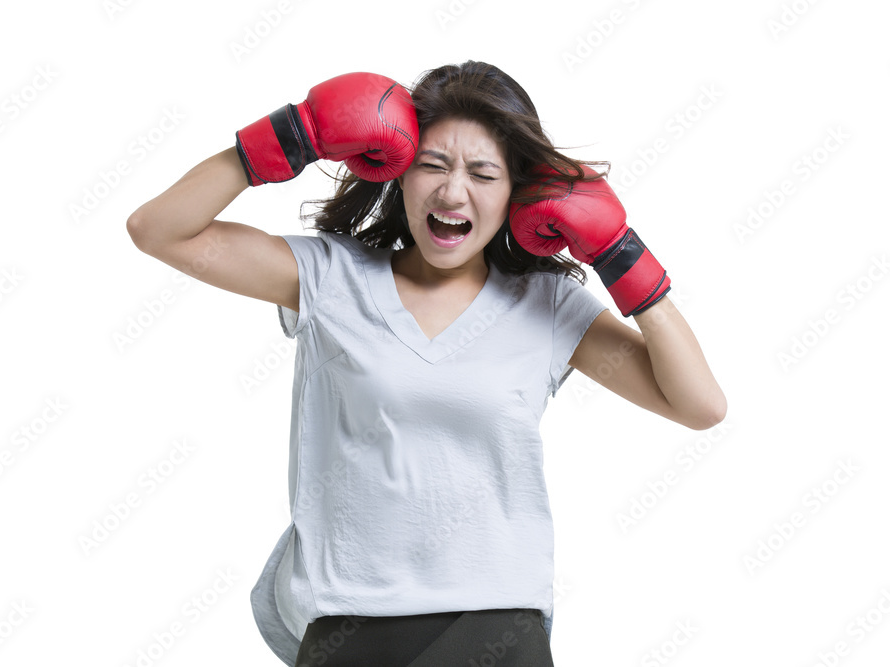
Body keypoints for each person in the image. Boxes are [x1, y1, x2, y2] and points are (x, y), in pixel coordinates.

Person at [126, 61, 726, 667]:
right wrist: (295, 134)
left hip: (497, 629)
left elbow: (699, 404)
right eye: (433, 165)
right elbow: (159, 230)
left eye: (483, 173)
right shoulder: (331, 278)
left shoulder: (545, 303)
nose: (452, 192)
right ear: (398, 171)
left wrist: (619, 253)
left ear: (516, 191)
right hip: (349, 625)